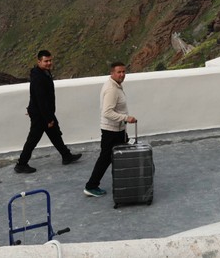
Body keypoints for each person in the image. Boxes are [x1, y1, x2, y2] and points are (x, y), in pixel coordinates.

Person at [14, 50, 81, 173]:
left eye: (50, 60)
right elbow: (41, 100)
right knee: (33, 139)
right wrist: (49, 119)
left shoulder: (44, 72)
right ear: (39, 61)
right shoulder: (39, 77)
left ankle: (66, 156)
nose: (49, 63)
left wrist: (32, 108)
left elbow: (34, 96)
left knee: (55, 134)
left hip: (43, 112)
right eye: (46, 61)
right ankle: (21, 164)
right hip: (41, 115)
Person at [83, 61, 137, 197]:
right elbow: (107, 112)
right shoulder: (112, 89)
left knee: (119, 156)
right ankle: (91, 186)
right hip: (111, 131)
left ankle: (125, 181)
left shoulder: (115, 86)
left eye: (124, 72)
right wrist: (126, 118)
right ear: (112, 73)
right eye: (119, 72)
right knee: (105, 158)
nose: (122, 74)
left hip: (118, 130)